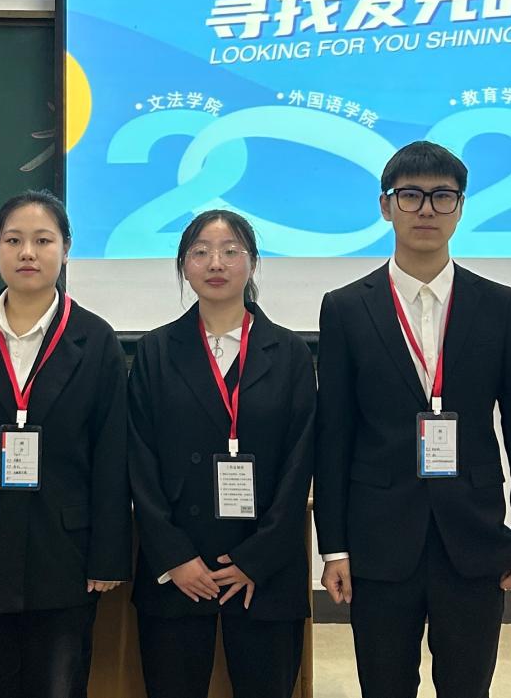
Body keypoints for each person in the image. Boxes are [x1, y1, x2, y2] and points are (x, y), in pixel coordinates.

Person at [314, 141, 511, 698]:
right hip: (377, 540)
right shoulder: (346, 307)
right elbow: (334, 435)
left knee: (467, 687)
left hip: (473, 537)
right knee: (384, 686)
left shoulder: (501, 305)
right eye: (411, 195)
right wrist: (334, 547)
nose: (426, 209)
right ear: (385, 205)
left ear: (460, 208)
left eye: (443, 196)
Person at [0, 189, 131, 698]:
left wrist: (107, 556)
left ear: (66, 249)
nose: (28, 253)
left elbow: (112, 453)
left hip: (64, 558)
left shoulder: (95, 340)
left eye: (43, 240)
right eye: (13, 240)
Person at [128, 210, 315, 698]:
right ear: (184, 265)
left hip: (265, 571)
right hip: (178, 571)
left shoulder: (290, 354)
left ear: (252, 263)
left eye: (231, 251)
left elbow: (300, 464)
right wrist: (174, 557)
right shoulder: (154, 352)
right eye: (201, 252)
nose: (216, 263)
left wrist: (258, 559)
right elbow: (139, 462)